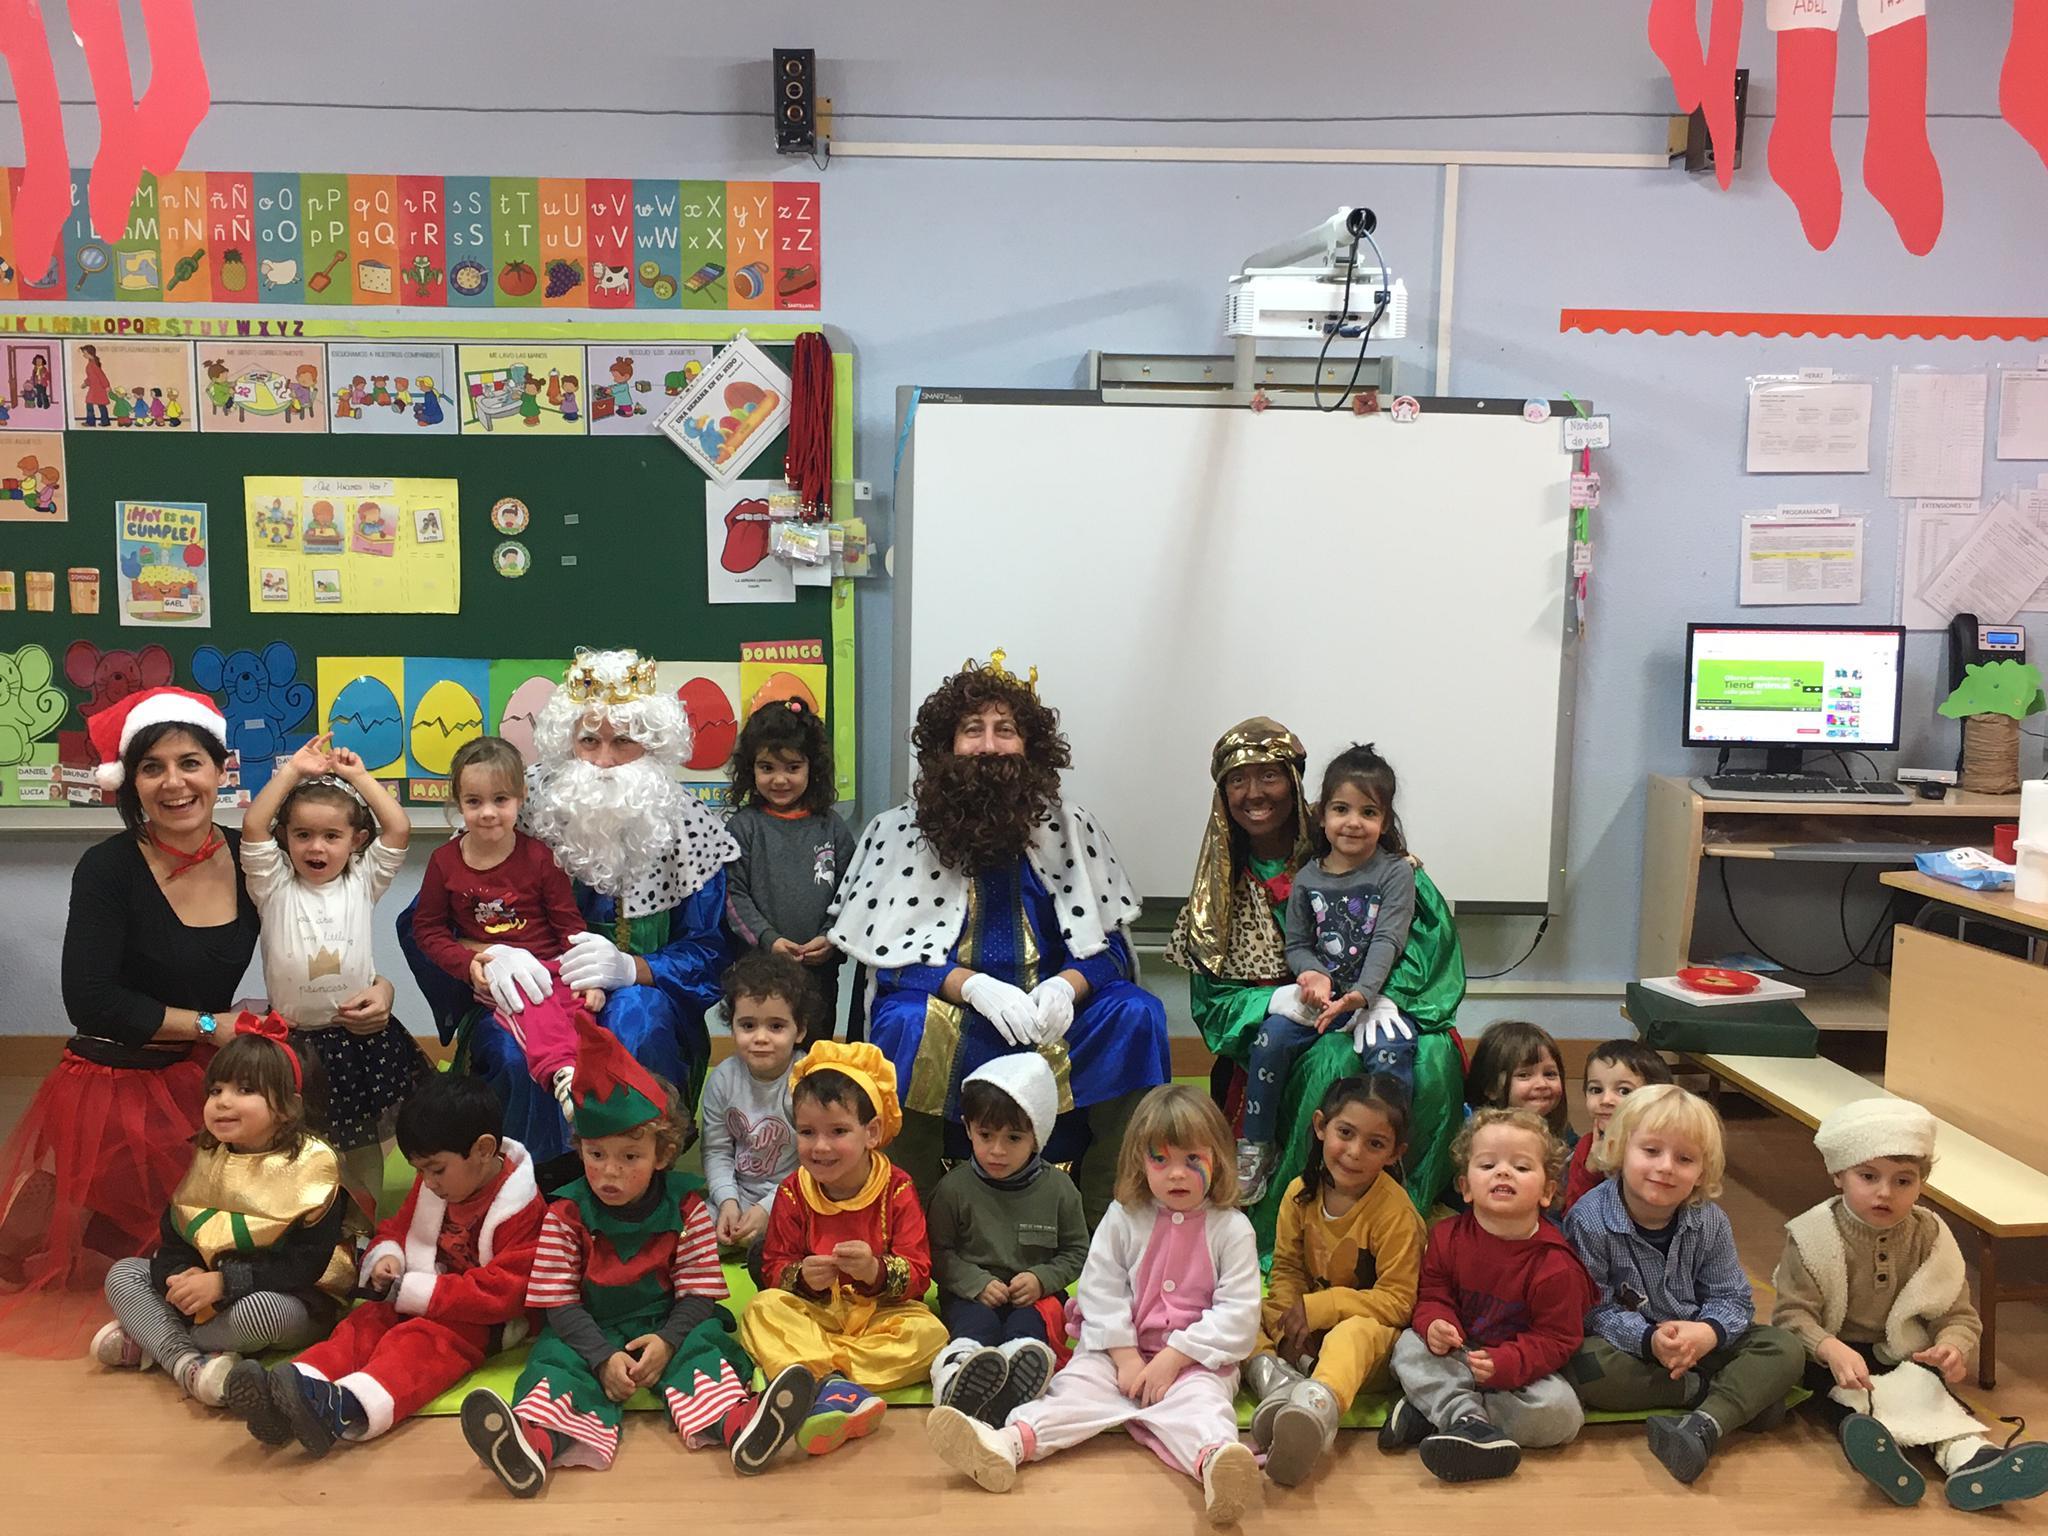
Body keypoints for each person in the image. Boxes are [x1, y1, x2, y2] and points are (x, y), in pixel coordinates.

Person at [0, 688, 393, 1355]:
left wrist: (379, 987)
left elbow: (328, 933)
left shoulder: (254, 856)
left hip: (206, 1069)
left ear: (219, 771)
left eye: (190, 763)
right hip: (118, 1076)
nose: (174, 783)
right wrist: (213, 1027)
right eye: (152, 767)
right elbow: (91, 1001)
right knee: (170, 1235)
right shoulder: (109, 868)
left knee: (275, 1193)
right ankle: (71, 1213)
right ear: (131, 782)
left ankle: (148, 1281)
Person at [827, 655, 1169, 1222]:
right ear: (947, 745)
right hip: (953, 1014)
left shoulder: (1072, 826)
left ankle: (1108, 1219)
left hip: (1055, 1022)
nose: (989, 746)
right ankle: (911, 1223)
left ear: (1030, 746)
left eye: (1004, 730)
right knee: (904, 1023)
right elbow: (889, 963)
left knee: (1136, 1014)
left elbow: (1109, 951)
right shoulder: (897, 831)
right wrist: (971, 986)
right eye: (972, 730)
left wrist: (1065, 987)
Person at [400, 649, 736, 1162]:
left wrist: (633, 968)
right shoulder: (516, 803)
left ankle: (633, 1177)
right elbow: (428, 922)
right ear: (567, 740)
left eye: (623, 741)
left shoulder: (688, 826)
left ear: (651, 743)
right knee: (514, 1050)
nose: (603, 760)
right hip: (530, 988)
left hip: (646, 992)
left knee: (638, 1022)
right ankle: (529, 1181)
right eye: (589, 741)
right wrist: (485, 959)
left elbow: (712, 950)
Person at [460, 1011, 814, 1495]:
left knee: (703, 1349)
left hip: (668, 1322)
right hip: (590, 1328)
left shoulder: (687, 1208)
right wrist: (601, 1357)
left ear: (662, 1155)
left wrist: (668, 1341)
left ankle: (742, 1425)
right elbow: (559, 1303)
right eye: (596, 1155)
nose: (610, 1172)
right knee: (556, 1363)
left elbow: (698, 1293)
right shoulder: (565, 1214)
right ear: (580, 1149)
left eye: (630, 1157)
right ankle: (534, 1443)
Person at [1165, 718, 1465, 1250]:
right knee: (1333, 1066)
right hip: (1294, 1029)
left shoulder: (1366, 853)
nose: (1254, 793)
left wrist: (1386, 998)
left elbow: (1423, 944)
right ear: (1223, 792)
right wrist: (1274, 999)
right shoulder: (1216, 895)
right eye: (1238, 780)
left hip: (1378, 1001)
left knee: (1432, 1056)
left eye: (1269, 776)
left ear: (1295, 782)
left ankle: (1400, 1207)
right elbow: (1214, 1007)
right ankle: (1306, 1227)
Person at [926, 1084, 1263, 1526]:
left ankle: (1216, 1464)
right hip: (1114, 1354)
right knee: (1073, 1390)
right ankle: (1007, 1443)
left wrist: (1174, 1358)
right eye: (1160, 1160)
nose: (1176, 1175)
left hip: (1194, 1362)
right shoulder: (1123, 1217)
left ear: (1218, 1158)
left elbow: (1239, 1312)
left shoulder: (1232, 1229)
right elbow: (1100, 1289)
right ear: (1139, 1161)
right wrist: (1124, 1356)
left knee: (1204, 1407)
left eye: (1192, 1160)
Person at [226, 1074, 545, 1456]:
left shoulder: (522, 1209)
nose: (428, 1182)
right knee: (364, 1322)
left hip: (481, 1319)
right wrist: (388, 1255)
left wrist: (420, 1291)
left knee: (421, 1345)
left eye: (436, 1170)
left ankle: (346, 1408)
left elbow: (507, 1291)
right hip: (420, 1291)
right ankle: (295, 1385)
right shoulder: (436, 1183)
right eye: (419, 1171)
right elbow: (398, 1227)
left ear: (483, 1149)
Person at [1772, 1098, 2048, 1511]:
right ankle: (1884, 1455)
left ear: (1922, 1183)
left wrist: (1952, 1347)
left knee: (1928, 1393)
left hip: (1902, 1351)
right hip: (1832, 1354)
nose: (1885, 1192)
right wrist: (1829, 1348)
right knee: (1849, 1399)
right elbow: (1792, 1316)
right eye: (1868, 1176)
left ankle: (1975, 1461)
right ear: (1838, 1175)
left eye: (1903, 1181)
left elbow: (1957, 1313)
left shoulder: (1931, 1236)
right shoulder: (1812, 1235)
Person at [93, 1022, 352, 1408]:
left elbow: (304, 1266)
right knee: (124, 1273)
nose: (223, 1102)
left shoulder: (313, 1165)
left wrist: (224, 1283)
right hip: (205, 1295)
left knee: (259, 1314)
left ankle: (156, 1341)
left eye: (244, 1090)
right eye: (216, 1090)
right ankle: (191, 1365)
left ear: (289, 1108)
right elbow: (175, 1237)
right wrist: (180, 1274)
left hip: (288, 1297)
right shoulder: (210, 1152)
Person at [1563, 1085, 1804, 1484]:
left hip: (1701, 1344)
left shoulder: (1710, 1221)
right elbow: (1592, 1309)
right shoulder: (1589, 1219)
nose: (1666, 1167)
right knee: (1583, 1364)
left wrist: (1706, 1333)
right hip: (1632, 1352)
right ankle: (1727, 1399)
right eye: (1651, 1151)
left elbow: (1733, 1297)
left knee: (1785, 1348)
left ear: (1702, 1172)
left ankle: (1705, 1423)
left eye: (1685, 1158)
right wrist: (1649, 1340)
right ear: (1620, 1150)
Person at [739, 1042, 949, 1454]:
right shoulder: (793, 1191)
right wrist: (802, 1277)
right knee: (761, 1309)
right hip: (816, 1313)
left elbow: (920, 1274)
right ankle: (839, 1386)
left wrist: (875, 1270)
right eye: (807, 1132)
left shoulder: (897, 1188)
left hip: (879, 1316)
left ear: (872, 1132)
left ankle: (814, 1378)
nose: (820, 1147)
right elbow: (773, 1267)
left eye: (838, 1132)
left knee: (930, 1334)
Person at [241, 731, 426, 1199]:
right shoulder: (272, 884)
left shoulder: (362, 880)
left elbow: (398, 828)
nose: (316, 848)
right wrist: (291, 771)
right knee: (297, 1144)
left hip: (357, 1041)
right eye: (302, 835)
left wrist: (359, 777)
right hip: (294, 1042)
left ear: (356, 841)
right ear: (285, 838)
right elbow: (253, 827)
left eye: (331, 836)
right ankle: (310, 1221)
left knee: (362, 1146)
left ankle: (364, 1225)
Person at [1236, 744, 1418, 1205]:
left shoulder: (1395, 874)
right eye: (1341, 809)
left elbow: (1388, 939)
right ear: (1322, 816)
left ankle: (1389, 1159)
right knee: (1270, 1039)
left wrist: (1363, 995)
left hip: (1371, 1001)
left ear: (1385, 821)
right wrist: (1313, 976)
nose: (1353, 822)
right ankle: (1257, 1145)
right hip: (1321, 1001)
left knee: (1392, 1055)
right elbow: (1297, 945)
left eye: (1368, 812)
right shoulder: (1307, 878)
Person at [1381, 1107, 1593, 1483]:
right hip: (1456, 1356)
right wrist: (1436, 1323)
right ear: (1465, 1187)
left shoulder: (1555, 1264)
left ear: (1547, 1192)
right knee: (1408, 1347)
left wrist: (1506, 1362)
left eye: (1521, 1167)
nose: (1503, 1172)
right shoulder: (1446, 1237)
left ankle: (1441, 1414)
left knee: (1562, 1413)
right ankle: (1465, 1419)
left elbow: (1558, 1339)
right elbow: (1432, 1296)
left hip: (1517, 1373)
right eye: (1488, 1164)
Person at [1242, 1074, 1424, 1487]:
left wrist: (1323, 1307)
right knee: (1241, 1312)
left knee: (1352, 1334)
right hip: (1308, 1333)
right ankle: (1277, 1384)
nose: (1355, 1152)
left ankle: (1315, 1409)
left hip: (1368, 1344)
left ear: (1395, 1154)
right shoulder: (1298, 1193)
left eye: (1375, 1144)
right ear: (1321, 1126)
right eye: (1345, 1133)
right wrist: (1288, 1324)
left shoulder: (1395, 1213)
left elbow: (1400, 1303)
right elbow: (1287, 1270)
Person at [411, 735, 597, 1121]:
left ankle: (588, 1128)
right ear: (457, 802)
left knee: (585, 1015)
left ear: (520, 797)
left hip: (552, 970)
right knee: (527, 1008)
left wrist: (588, 978)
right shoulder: (445, 862)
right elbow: (428, 930)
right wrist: (468, 964)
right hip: (498, 979)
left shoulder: (541, 858)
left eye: (500, 800)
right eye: (473, 802)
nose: (488, 813)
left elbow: (569, 926)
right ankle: (561, 1072)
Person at [926, 1054, 1087, 1426]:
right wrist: (975, 1283)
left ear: (1037, 1136)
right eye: (986, 1135)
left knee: (1028, 1328)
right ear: (968, 1129)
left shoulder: (1060, 1189)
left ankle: (1021, 1378)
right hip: (970, 1297)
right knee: (975, 1328)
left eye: (1013, 1138)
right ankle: (956, 1377)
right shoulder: (952, 1189)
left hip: (1037, 1298)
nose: (997, 1150)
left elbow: (1077, 1250)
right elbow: (936, 1251)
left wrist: (1042, 1279)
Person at [723, 698, 854, 1046]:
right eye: (767, 767)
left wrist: (831, 937)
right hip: (755, 975)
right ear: (750, 769)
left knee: (815, 1053)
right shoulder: (743, 828)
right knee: (762, 1052)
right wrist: (768, 939)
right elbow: (733, 896)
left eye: (793, 767)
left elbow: (851, 893)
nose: (779, 779)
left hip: (818, 973)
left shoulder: (832, 827)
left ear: (813, 768)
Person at [701, 951, 809, 1274]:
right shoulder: (723, 1079)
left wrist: (767, 1208)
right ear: (732, 1027)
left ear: (799, 1030)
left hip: (795, 1197)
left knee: (809, 1238)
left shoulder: (807, 1080)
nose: (761, 1038)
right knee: (684, 1234)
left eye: (776, 1026)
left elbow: (815, 1163)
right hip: (737, 1197)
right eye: (748, 1025)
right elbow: (717, 1150)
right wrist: (727, 1203)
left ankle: (769, 1251)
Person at [1562, 1039, 1674, 1213]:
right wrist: (1590, 1170)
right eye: (1596, 1090)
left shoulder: (1667, 1149)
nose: (1606, 1100)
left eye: (1624, 1091)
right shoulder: (1587, 1147)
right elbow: (1571, 1215)